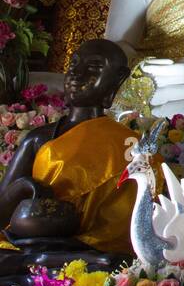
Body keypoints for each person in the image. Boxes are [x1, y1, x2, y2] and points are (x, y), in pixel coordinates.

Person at [0, 39, 136, 255]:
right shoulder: (38, 138)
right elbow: (2, 212)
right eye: (73, 64)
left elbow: (128, 226)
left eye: (92, 68)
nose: (77, 74)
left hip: (94, 252)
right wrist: (25, 186)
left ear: (117, 80)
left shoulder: (129, 146)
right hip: (30, 244)